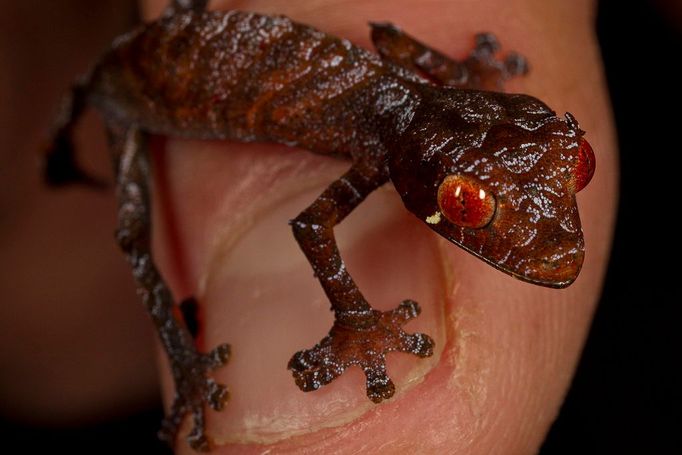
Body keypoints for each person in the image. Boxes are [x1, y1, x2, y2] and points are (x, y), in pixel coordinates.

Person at [0, 0, 617, 453]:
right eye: (469, 205)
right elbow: (310, 226)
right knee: (134, 238)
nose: (558, 237)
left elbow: (389, 37)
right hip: (131, 90)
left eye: (575, 163)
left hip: (175, 38)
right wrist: (355, 318)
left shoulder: (401, 107)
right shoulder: (388, 142)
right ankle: (187, 372)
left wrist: (459, 77)